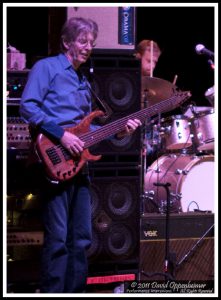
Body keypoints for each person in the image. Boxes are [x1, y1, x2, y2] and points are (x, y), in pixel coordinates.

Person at [19, 17, 141, 293]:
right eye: (82, 41)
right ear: (66, 42)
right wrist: (62, 135)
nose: (88, 47)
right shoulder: (46, 68)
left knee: (82, 238)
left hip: (78, 165)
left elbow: (88, 128)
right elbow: (28, 107)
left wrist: (121, 131)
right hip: (53, 159)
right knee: (59, 238)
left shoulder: (82, 80)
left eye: (92, 43)